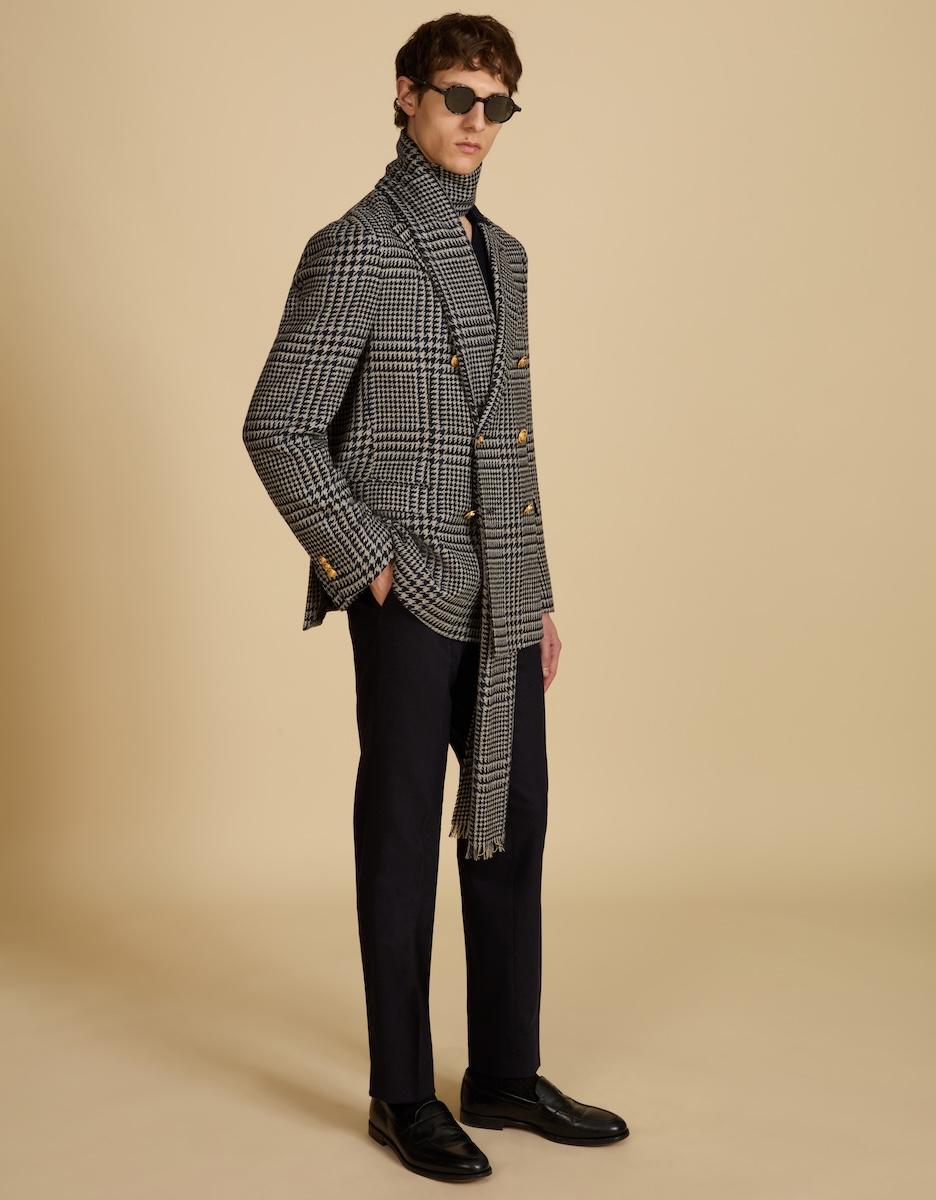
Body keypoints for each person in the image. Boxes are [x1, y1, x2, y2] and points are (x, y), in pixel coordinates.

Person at [242, 12, 628, 1182]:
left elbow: (509, 445)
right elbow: (279, 426)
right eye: (459, 95)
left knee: (514, 823)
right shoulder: (354, 246)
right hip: (407, 590)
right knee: (405, 837)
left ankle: (503, 1072)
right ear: (407, 94)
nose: (477, 121)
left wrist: (538, 591)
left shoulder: (506, 254)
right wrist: (367, 562)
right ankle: (402, 1094)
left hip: (504, 590)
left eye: (496, 104)